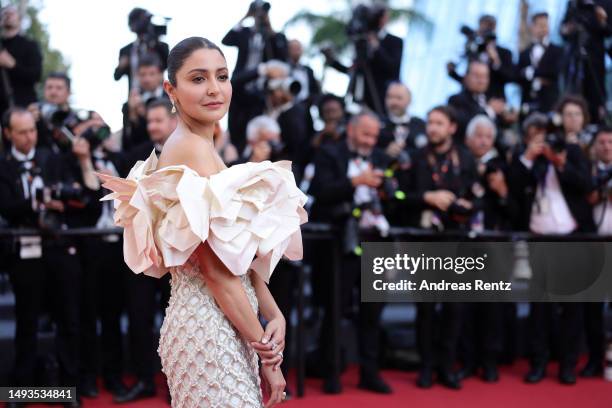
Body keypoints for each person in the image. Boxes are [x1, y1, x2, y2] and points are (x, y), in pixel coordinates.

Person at [97, 37, 307, 407]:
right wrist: (267, 353)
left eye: (222, 76)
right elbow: (216, 271)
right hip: (209, 328)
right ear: (170, 89)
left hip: (229, 321)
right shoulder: (188, 149)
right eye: (198, 78)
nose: (214, 89)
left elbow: (236, 253)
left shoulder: (204, 147)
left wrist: (273, 313)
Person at [0, 5, 42, 116]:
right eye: (4, 13)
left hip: (22, 107)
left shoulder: (30, 45)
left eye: (12, 13)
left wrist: (12, 65)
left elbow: (36, 75)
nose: (8, 15)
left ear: (19, 20)